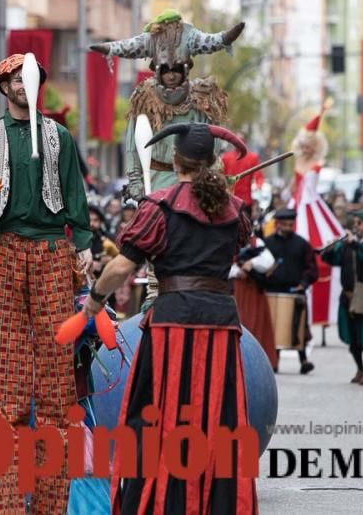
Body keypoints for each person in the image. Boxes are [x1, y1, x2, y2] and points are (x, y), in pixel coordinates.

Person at [84, 122, 258, 513]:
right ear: (212, 161)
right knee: (217, 420)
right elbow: (235, 243)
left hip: (173, 324)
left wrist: (94, 302)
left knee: (161, 417)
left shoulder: (159, 206)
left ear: (174, 159)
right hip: (220, 325)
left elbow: (119, 269)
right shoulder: (234, 210)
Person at [0, 53, 91, 514]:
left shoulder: (59, 136)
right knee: (7, 390)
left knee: (56, 389)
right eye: (13, 78)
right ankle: (9, 508)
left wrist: (86, 244)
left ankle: (51, 508)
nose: (20, 84)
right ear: (3, 86)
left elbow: (75, 194)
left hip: (54, 252)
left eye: (27, 78)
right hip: (7, 251)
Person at [91, 10, 244, 311]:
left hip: (195, 185)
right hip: (156, 184)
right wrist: (137, 184)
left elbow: (208, 146)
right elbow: (133, 147)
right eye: (166, 69)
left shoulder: (200, 98)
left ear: (186, 67)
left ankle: (202, 291)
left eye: (177, 68)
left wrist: (214, 181)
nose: (172, 74)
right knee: (153, 242)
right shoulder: (144, 98)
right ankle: (154, 295)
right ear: (156, 69)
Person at [288, 103, 345, 327]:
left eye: (309, 144)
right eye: (303, 143)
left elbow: (308, 191)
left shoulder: (316, 165)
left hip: (310, 204)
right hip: (298, 203)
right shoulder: (299, 162)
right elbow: (295, 187)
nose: (305, 147)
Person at [320, 210, 363, 386]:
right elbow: (332, 259)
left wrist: (357, 245)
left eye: (360, 223)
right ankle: (359, 368)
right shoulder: (347, 245)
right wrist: (329, 248)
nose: (356, 226)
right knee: (353, 336)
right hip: (349, 295)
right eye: (354, 223)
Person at [260, 207, 318, 374]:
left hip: (294, 291)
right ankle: (274, 361)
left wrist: (304, 283)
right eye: (284, 224)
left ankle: (303, 359)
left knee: (297, 326)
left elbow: (311, 268)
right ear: (277, 224)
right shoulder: (268, 243)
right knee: (273, 328)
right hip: (272, 291)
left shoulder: (302, 244)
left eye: (290, 224)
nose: (287, 228)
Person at [231, 236, 279, 371]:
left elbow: (269, 261)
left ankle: (260, 365)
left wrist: (252, 263)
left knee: (256, 325)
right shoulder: (225, 236)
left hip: (253, 289)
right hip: (235, 289)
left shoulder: (255, 242)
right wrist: (236, 271)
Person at [89, 204, 119, 277]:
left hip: (106, 277)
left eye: (95, 220)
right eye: (89, 220)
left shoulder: (110, 238)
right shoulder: (77, 239)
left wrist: (110, 260)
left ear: (101, 222)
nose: (91, 224)